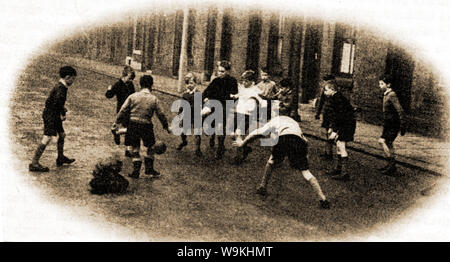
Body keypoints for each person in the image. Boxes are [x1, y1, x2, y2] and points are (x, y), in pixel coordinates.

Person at [233, 115, 330, 209]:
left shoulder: (274, 121)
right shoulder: (293, 122)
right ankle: (323, 198)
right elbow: (305, 141)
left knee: (271, 161)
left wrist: (242, 143)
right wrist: (304, 156)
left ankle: (263, 186)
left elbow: (256, 133)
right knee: (305, 172)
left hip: (283, 138)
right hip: (298, 141)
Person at [113, 75, 170, 179]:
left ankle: (136, 171)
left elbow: (123, 110)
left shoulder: (133, 96)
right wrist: (166, 126)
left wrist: (116, 122)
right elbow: (161, 114)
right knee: (151, 147)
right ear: (151, 85)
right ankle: (149, 169)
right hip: (147, 126)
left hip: (133, 125)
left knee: (134, 148)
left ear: (140, 85)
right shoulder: (154, 99)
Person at [29, 66, 77, 172]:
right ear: (68, 77)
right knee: (47, 138)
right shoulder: (61, 88)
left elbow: (53, 101)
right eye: (73, 79)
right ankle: (34, 163)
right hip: (51, 115)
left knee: (62, 135)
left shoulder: (61, 86)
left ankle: (60, 157)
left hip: (53, 114)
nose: (73, 81)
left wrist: (61, 109)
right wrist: (63, 113)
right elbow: (56, 103)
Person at [202, 60, 238, 159]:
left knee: (221, 128)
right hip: (214, 106)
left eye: (222, 71)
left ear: (228, 72)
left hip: (225, 107)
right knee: (212, 124)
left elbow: (234, 94)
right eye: (219, 71)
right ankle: (212, 136)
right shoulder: (215, 81)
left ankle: (220, 147)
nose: (220, 73)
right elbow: (206, 92)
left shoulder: (232, 81)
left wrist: (232, 101)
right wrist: (205, 97)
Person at [323, 79, 356, 181]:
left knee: (341, 146)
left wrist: (335, 130)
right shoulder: (335, 97)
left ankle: (344, 173)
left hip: (346, 124)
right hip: (344, 123)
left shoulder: (337, 99)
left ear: (332, 89)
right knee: (338, 145)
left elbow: (341, 116)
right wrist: (333, 127)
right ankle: (339, 168)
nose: (324, 92)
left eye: (326, 90)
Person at [232, 70, 263, 164]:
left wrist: (253, 106)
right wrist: (234, 96)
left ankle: (238, 157)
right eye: (243, 81)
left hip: (247, 115)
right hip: (238, 112)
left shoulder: (255, 90)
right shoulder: (242, 88)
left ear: (251, 81)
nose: (244, 83)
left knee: (239, 134)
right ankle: (245, 148)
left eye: (246, 81)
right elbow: (239, 95)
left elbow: (260, 101)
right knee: (233, 134)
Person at [378, 74, 406, 176]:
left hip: (393, 124)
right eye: (379, 84)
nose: (380, 86)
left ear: (388, 84)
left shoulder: (392, 95)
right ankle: (390, 165)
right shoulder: (386, 94)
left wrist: (403, 125)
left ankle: (392, 165)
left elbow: (400, 111)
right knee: (388, 143)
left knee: (382, 141)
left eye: (382, 84)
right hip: (388, 124)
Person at [106, 65, 136, 157]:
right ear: (124, 76)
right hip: (122, 109)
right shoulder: (118, 84)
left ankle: (127, 149)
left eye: (132, 79)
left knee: (129, 128)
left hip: (130, 109)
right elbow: (109, 95)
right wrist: (109, 89)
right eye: (130, 78)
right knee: (128, 128)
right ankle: (116, 132)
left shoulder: (130, 85)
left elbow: (133, 95)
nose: (131, 81)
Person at [176, 72, 202, 157]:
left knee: (197, 133)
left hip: (196, 115)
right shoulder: (185, 94)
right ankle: (184, 141)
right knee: (182, 131)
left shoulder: (198, 94)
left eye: (191, 83)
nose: (189, 85)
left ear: (195, 83)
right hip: (187, 115)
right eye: (187, 83)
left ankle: (197, 149)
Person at [315, 75, 337, 159]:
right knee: (329, 132)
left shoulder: (328, 88)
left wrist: (317, 113)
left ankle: (329, 152)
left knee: (329, 132)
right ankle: (328, 151)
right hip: (328, 113)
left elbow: (321, 101)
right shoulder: (335, 88)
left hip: (329, 113)